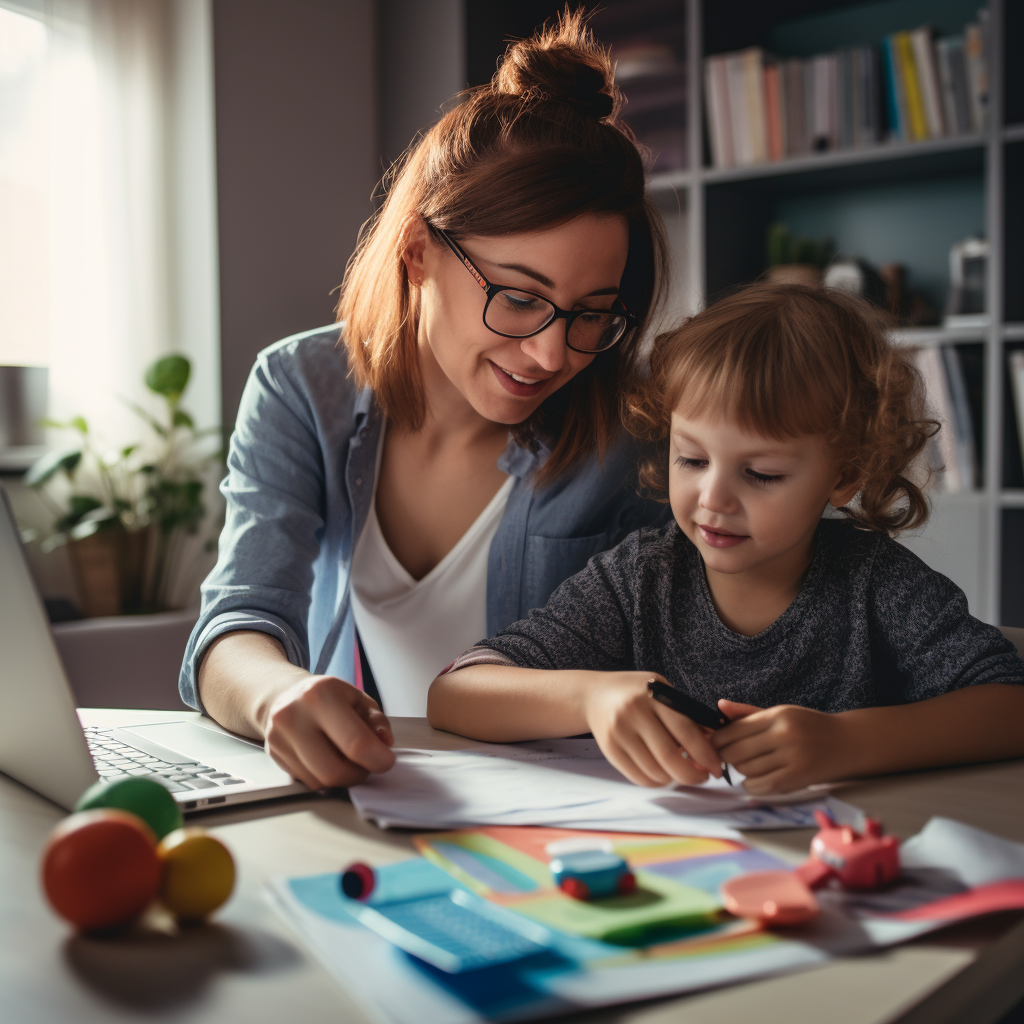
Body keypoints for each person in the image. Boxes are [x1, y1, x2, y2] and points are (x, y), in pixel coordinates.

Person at [178, 12, 672, 791]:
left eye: (589, 313)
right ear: (417, 252)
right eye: (518, 297)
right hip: (384, 805)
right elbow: (237, 623)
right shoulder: (302, 388)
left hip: (571, 814)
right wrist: (281, 695)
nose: (551, 354)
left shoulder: (632, 436)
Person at [427, 283, 1024, 795]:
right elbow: (456, 692)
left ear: (843, 475)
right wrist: (591, 698)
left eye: (761, 473)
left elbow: (1009, 704)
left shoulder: (875, 583)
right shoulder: (640, 578)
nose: (713, 497)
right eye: (691, 459)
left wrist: (846, 742)